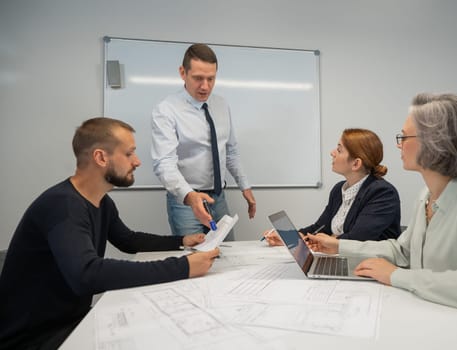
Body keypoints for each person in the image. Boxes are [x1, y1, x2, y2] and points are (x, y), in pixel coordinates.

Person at [0, 117, 220, 350]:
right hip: (35, 337)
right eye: (129, 154)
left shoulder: (101, 202)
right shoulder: (62, 206)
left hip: (71, 323)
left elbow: (128, 240)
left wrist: (182, 241)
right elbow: (86, 274)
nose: (137, 162)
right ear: (101, 157)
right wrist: (183, 267)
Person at [305, 93, 457, 316]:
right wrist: (339, 246)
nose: (399, 145)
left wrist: (396, 275)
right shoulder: (426, 196)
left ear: (435, 143)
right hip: (445, 312)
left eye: (404, 137)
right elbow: (402, 251)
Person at [151, 43, 256, 240]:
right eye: (198, 78)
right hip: (186, 201)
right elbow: (163, 164)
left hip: (218, 197)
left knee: (228, 254)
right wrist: (190, 198)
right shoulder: (166, 110)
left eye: (211, 78)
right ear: (183, 73)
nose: (205, 86)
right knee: (196, 260)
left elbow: (230, 151)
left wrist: (245, 187)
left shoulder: (221, 104)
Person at [264, 128, 401, 246]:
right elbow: (320, 228)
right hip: (344, 259)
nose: (332, 152)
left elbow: (357, 240)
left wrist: (316, 241)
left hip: (371, 268)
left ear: (356, 164)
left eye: (339, 150)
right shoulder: (339, 189)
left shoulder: (382, 193)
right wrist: (288, 238)